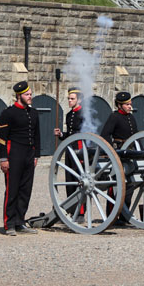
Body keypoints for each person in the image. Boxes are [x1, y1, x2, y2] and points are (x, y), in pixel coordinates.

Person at [0, 81, 40, 236]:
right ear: (19, 95)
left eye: (30, 94)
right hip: (14, 153)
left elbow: (36, 136)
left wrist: (36, 155)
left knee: (25, 190)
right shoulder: (8, 113)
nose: (30, 97)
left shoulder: (33, 113)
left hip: (29, 154)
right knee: (12, 190)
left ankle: (20, 221)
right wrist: (3, 158)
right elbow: (1, 138)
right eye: (27, 95)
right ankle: (9, 224)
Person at [100, 92, 138, 223]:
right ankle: (113, 215)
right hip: (119, 152)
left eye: (130, 104)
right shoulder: (114, 117)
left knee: (130, 184)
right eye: (127, 105)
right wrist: (112, 150)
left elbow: (136, 136)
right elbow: (105, 134)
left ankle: (124, 214)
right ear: (119, 105)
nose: (129, 107)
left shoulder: (131, 118)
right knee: (115, 185)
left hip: (131, 151)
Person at [53, 87, 84, 217]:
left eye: (72, 99)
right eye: (69, 99)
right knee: (69, 180)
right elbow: (70, 134)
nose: (69, 101)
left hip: (81, 149)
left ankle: (81, 212)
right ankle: (72, 210)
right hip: (70, 149)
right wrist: (61, 134)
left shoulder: (84, 114)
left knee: (80, 180)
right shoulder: (69, 115)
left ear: (79, 100)